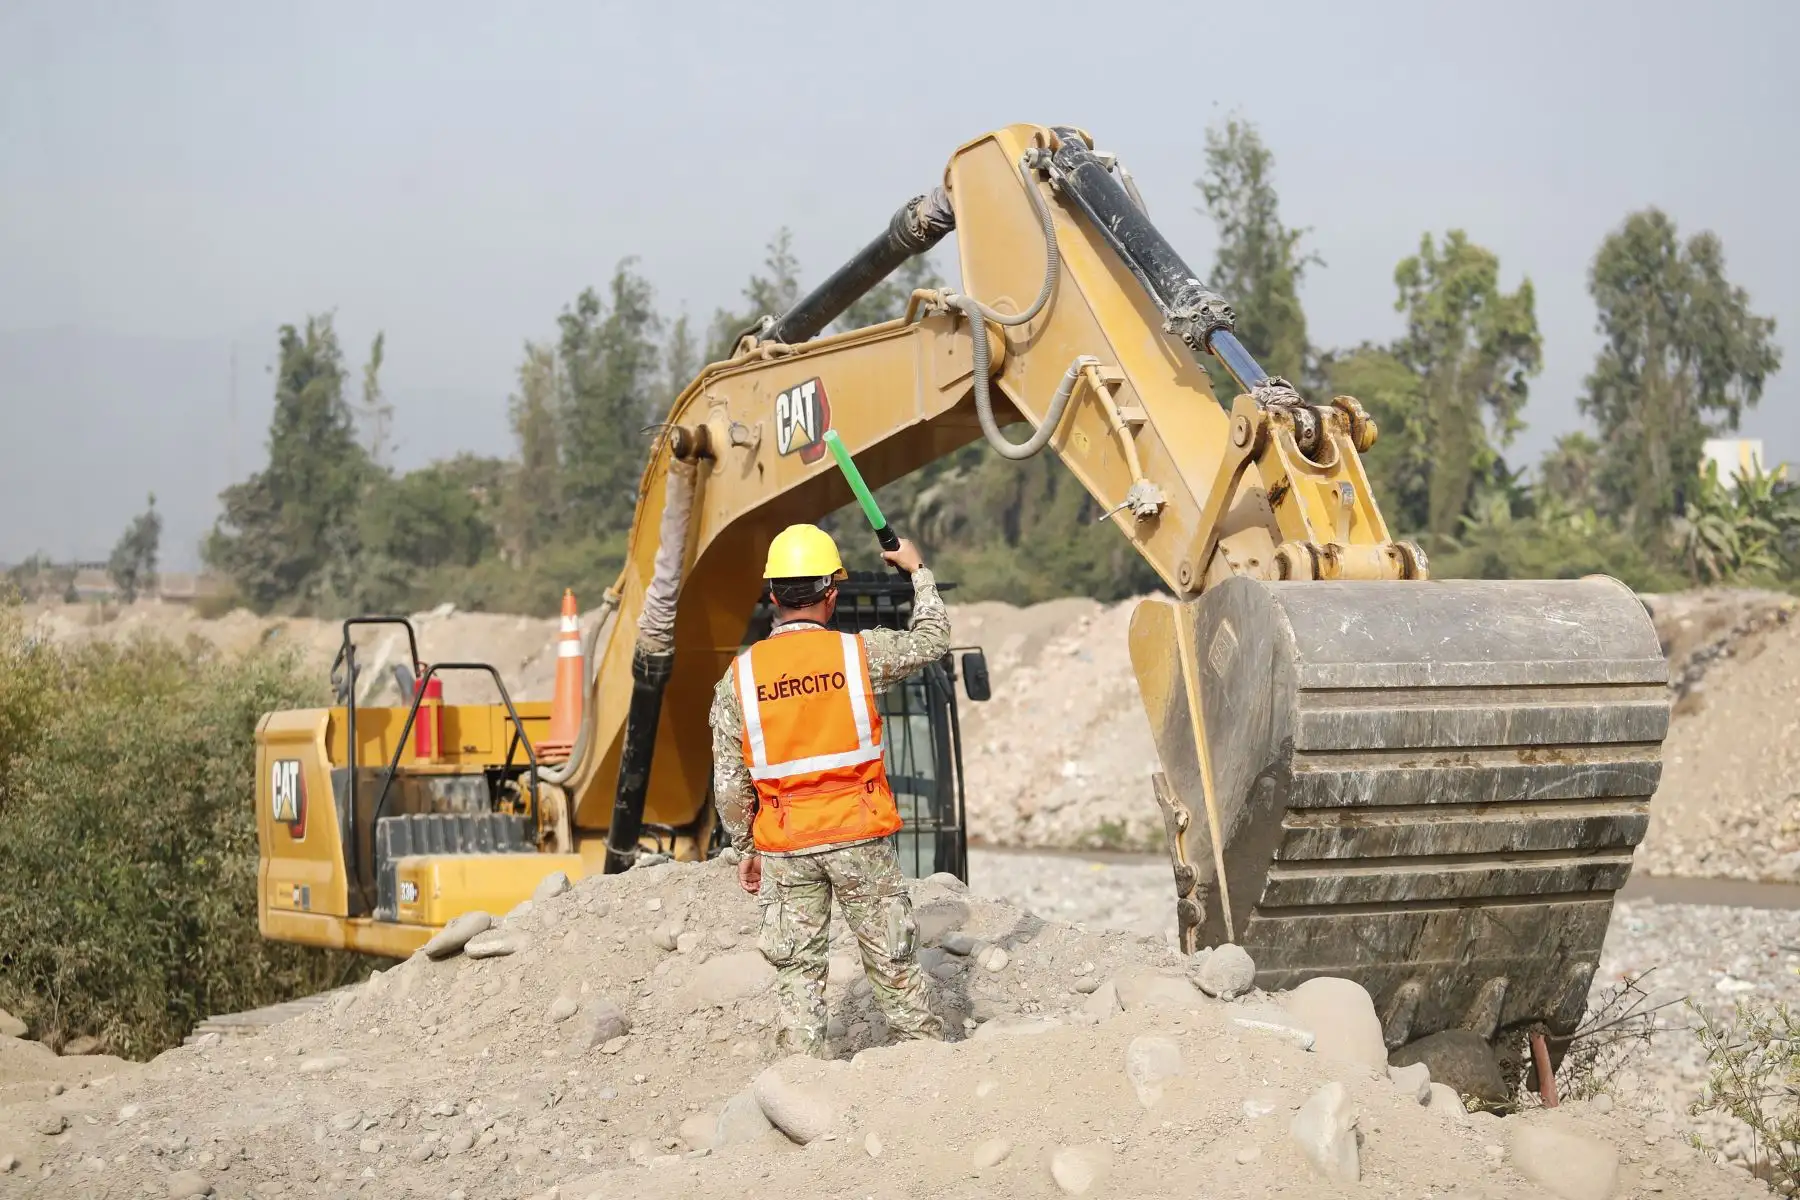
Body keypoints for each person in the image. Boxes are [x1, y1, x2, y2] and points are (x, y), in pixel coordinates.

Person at [708, 522, 949, 1057]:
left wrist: (746, 849)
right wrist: (917, 572)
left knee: (798, 971)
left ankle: (803, 1084)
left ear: (773, 596)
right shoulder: (857, 656)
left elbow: (729, 784)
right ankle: (929, 1076)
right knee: (892, 962)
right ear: (831, 594)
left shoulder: (739, 680)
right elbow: (931, 640)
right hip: (859, 836)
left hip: (787, 844)